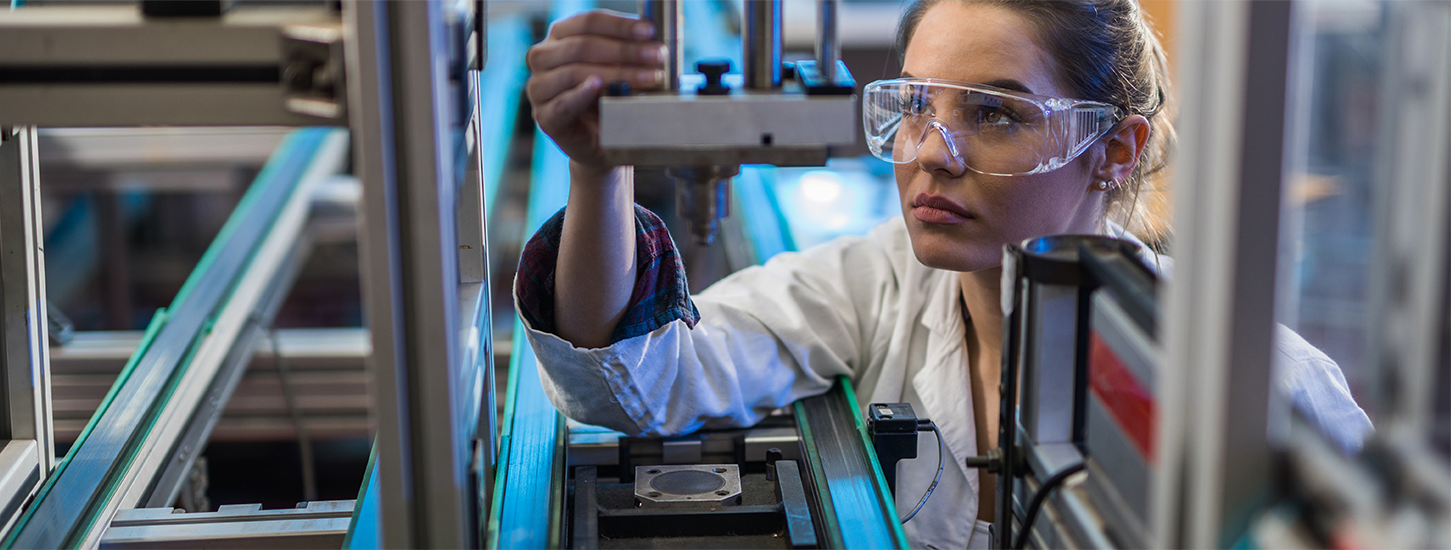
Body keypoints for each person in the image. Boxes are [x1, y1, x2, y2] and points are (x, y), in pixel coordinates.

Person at [518, 0, 1373, 547]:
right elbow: (633, 383)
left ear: (1114, 149)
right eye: (916, 106)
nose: (930, 154)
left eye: (993, 113)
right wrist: (599, 168)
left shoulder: (1273, 392)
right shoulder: (876, 285)